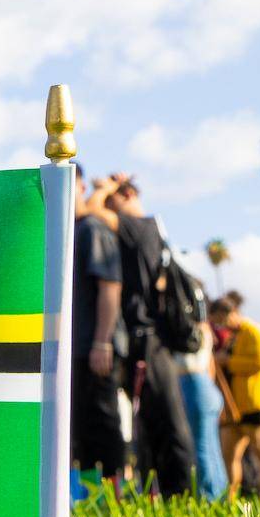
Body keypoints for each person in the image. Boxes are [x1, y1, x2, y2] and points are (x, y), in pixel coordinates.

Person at [89, 174, 195, 498]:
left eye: (115, 200)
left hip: (150, 341)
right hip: (149, 341)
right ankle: (161, 493)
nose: (109, 206)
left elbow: (90, 209)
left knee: (167, 419)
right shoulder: (149, 230)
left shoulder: (141, 226)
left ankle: (180, 494)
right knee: (150, 422)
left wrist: (103, 188)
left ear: (128, 195)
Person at [68, 169, 128, 489]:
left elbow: (110, 286)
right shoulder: (69, 232)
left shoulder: (92, 228)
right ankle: (92, 495)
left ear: (80, 185)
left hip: (95, 346)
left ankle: (112, 495)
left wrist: (102, 342)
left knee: (103, 423)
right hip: (76, 348)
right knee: (84, 427)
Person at [215, 293, 260, 500]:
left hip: (256, 403)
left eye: (222, 320)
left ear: (232, 313)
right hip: (236, 407)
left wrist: (229, 362)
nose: (221, 326)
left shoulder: (254, 332)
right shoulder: (234, 336)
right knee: (229, 455)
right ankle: (231, 498)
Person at [175, 282, 228, 500]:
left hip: (193, 382)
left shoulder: (190, 327)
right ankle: (220, 492)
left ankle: (209, 497)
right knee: (212, 446)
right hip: (207, 386)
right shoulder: (205, 327)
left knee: (201, 446)